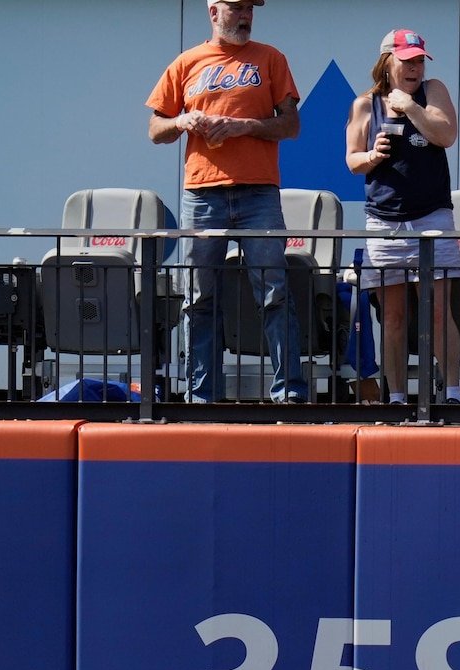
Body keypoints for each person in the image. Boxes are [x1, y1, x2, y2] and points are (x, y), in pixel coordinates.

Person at [146, 0, 306, 403]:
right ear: (213, 12)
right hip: (202, 194)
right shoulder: (186, 62)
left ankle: (289, 394)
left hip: (259, 192)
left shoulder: (271, 58)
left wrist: (241, 127)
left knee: (275, 293)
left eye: (249, 8)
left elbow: (291, 125)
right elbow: (155, 128)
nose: (245, 15)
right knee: (198, 298)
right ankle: (201, 397)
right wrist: (182, 120)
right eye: (236, 8)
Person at [344, 28, 460, 405]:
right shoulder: (365, 104)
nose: (414, 68)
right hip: (384, 221)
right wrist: (373, 156)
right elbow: (352, 161)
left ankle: (454, 393)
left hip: (432, 218)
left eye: (418, 61)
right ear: (387, 62)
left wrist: (410, 106)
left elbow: (446, 135)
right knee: (392, 316)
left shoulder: (433, 92)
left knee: (438, 311)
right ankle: (395, 396)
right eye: (406, 60)